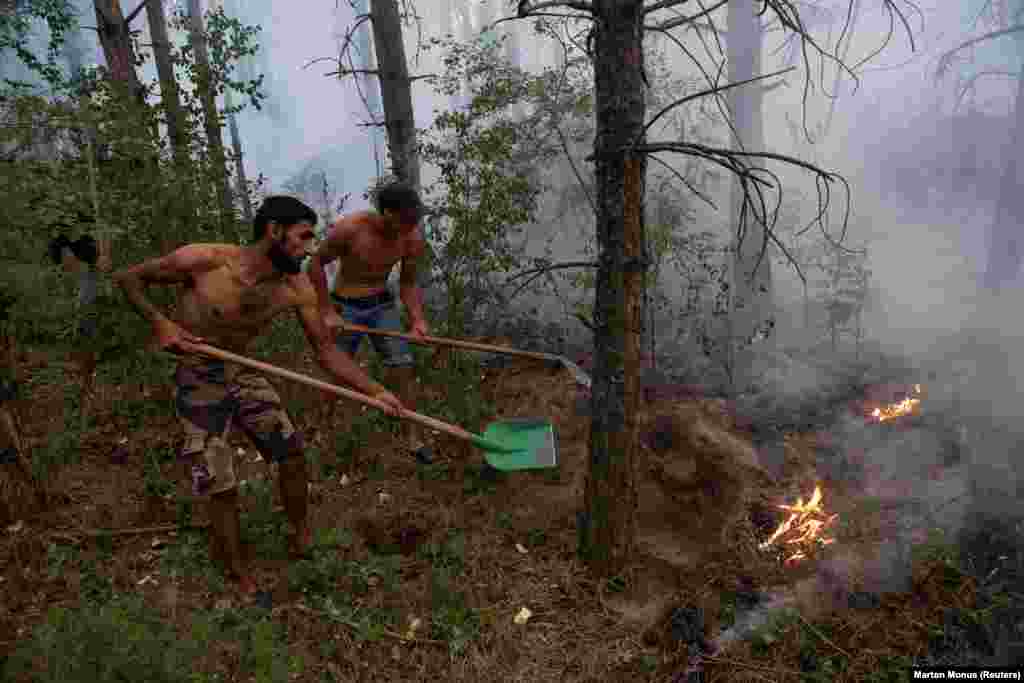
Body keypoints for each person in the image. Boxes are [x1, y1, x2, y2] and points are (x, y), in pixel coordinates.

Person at [113, 196, 405, 595]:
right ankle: (237, 570)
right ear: (273, 231)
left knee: (291, 453)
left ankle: (301, 535)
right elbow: (129, 279)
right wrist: (161, 323)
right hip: (198, 378)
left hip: (243, 370)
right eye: (303, 237)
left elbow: (326, 351)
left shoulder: (294, 286)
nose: (310, 248)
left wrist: (377, 391)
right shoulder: (204, 260)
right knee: (219, 480)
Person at [306, 181, 432, 460]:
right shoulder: (351, 229)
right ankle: (317, 434)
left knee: (403, 367)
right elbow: (314, 263)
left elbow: (408, 283)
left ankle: (413, 435)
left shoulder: (410, 238)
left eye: (415, 219)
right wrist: (326, 310)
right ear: (388, 213)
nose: (413, 225)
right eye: (408, 219)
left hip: (382, 306)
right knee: (336, 373)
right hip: (346, 307)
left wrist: (417, 321)